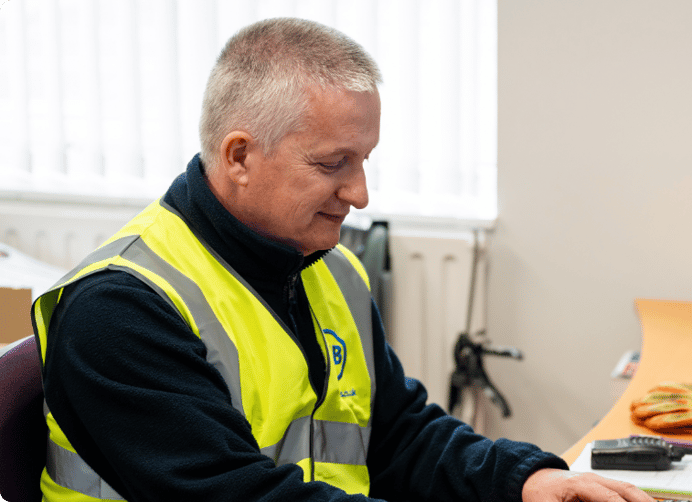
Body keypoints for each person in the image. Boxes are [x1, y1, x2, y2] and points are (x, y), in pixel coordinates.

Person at [32, 17, 654, 502]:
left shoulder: (328, 268)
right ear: (240, 157)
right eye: (333, 164)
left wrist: (523, 483)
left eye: (363, 161)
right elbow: (238, 499)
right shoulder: (120, 311)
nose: (359, 195)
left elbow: (399, 434)